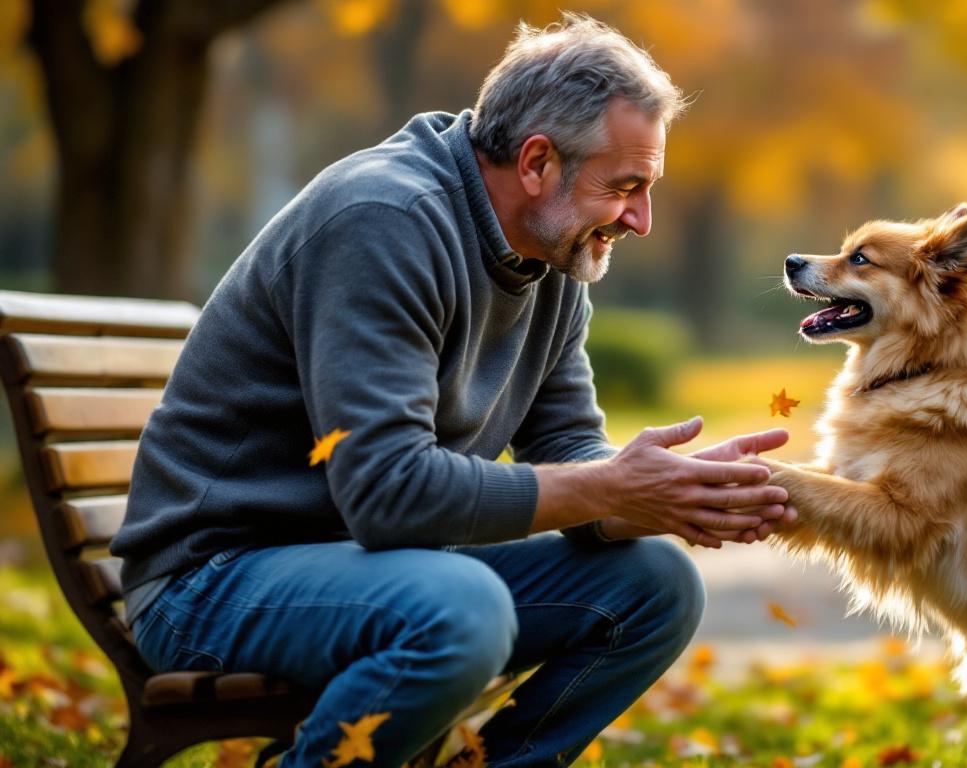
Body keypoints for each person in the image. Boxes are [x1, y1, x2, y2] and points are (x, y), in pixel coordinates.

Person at [108, 13, 794, 768]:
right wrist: (609, 488)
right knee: (462, 613)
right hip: (216, 580)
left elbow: (567, 446)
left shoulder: (550, 255)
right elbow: (388, 494)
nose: (641, 219)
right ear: (536, 162)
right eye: (625, 187)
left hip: (372, 568)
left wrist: (665, 495)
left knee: (655, 585)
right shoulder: (385, 221)